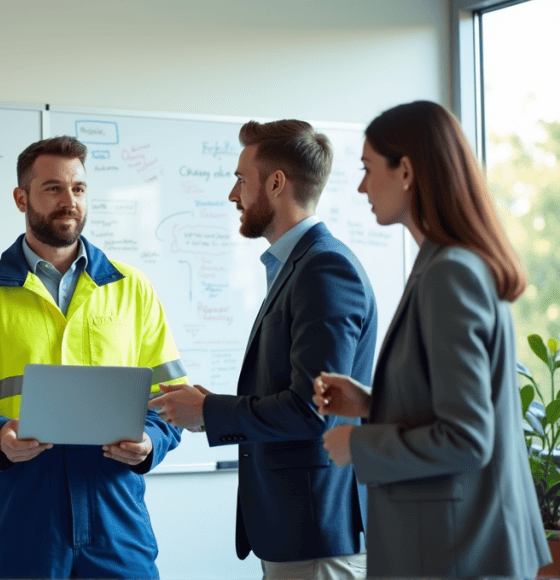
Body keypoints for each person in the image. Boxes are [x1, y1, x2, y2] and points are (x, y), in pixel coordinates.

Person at [0, 135, 185, 579]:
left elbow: (171, 399)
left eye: (79, 189)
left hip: (116, 518)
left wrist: (150, 444)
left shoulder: (132, 289)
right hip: (18, 520)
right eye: (53, 189)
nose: (70, 202)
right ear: (21, 197)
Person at [313, 100, 550, 578]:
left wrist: (359, 446)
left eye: (367, 169)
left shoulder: (450, 276)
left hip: (456, 552)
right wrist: (371, 403)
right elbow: (453, 406)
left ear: (407, 171)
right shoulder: (447, 267)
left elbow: (465, 439)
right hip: (455, 547)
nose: (361, 186)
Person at [151, 120, 374, 580]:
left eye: (240, 179)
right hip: (293, 531)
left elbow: (314, 411)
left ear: (276, 183)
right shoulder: (294, 266)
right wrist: (204, 409)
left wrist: (211, 411)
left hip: (316, 533)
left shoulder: (324, 268)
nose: (234, 195)